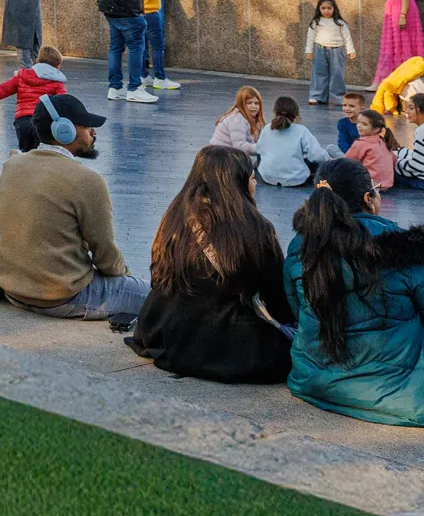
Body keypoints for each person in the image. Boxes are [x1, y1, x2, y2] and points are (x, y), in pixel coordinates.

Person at [285, 157, 424, 428]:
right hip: (412, 397)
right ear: (369, 199)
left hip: (313, 381)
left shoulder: (300, 247)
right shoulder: (409, 249)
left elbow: (299, 312)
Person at [130, 145, 293, 383]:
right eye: (251, 177)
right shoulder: (255, 229)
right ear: (237, 183)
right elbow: (276, 297)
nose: (255, 183)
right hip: (223, 346)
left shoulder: (174, 218)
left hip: (165, 334)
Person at [0, 93, 147, 320]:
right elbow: (106, 257)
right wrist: (124, 278)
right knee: (161, 296)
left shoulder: (11, 165)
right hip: (61, 296)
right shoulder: (87, 180)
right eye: (86, 126)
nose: (93, 132)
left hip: (12, 288)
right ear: (64, 130)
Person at [0, 46, 71, 150]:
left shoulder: (23, 76)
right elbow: (63, 101)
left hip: (22, 120)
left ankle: (22, 156)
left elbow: (5, 88)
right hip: (43, 121)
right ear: (58, 66)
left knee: (25, 150)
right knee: (40, 150)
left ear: (37, 61)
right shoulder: (57, 82)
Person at [256, 97, 331, 187]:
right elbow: (317, 155)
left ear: (275, 112)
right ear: (296, 115)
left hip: (267, 177)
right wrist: (328, 157)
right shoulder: (302, 130)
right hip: (295, 179)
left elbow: (259, 149)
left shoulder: (267, 128)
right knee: (316, 161)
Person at [307, 0, 354, 106]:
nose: (326, 11)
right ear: (319, 9)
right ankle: (317, 96)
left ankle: (339, 97)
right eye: (323, 8)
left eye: (329, 8)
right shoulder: (316, 22)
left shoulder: (339, 22)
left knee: (337, 74)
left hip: (337, 50)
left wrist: (350, 50)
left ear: (334, 9)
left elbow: (347, 37)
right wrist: (309, 51)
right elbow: (310, 38)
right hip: (320, 50)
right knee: (319, 73)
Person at [344, 109, 397, 189]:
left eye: (364, 124)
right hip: (386, 184)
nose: (359, 126)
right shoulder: (383, 141)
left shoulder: (361, 143)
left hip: (368, 184)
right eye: (358, 122)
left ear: (376, 129)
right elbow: (394, 159)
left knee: (331, 150)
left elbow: (346, 162)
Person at [211, 85, 264, 153]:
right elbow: (240, 146)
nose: (253, 106)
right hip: (220, 155)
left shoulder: (254, 120)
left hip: (231, 154)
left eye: (256, 103)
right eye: (249, 103)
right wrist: (263, 148)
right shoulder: (237, 120)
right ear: (241, 104)